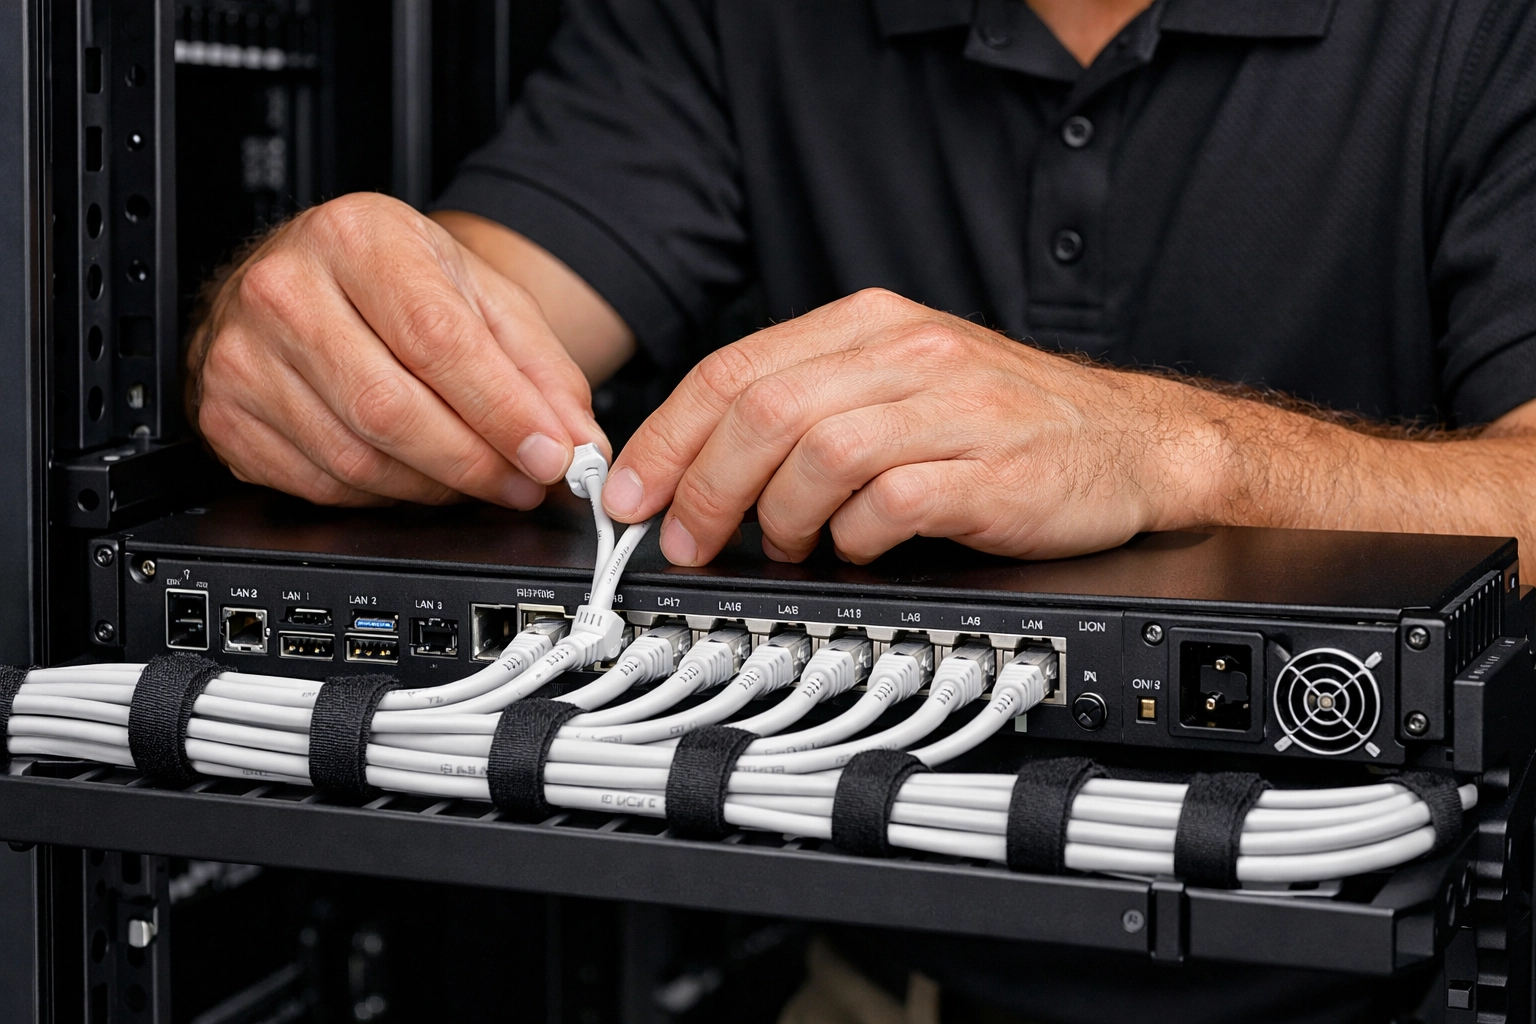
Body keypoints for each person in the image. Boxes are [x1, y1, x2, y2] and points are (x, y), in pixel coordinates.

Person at [185, 0, 1536, 1020]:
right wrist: (322, 334)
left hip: (1407, 980)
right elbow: (470, 322)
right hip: (893, 982)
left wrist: (1183, 451)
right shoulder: (739, 22)